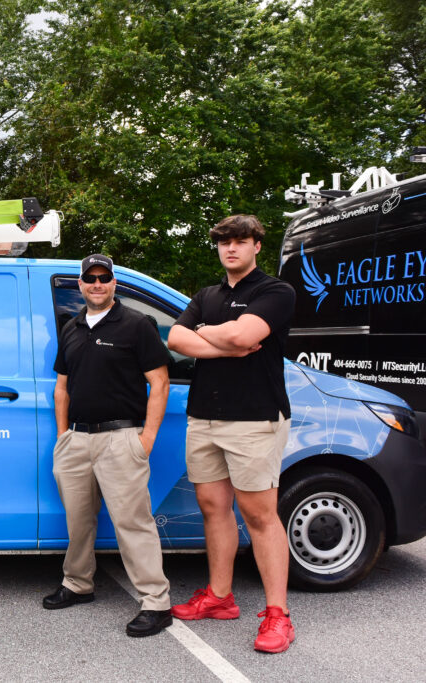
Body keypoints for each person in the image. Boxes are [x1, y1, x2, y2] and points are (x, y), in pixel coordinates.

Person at [167, 215, 296, 654]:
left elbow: (246, 334)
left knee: (260, 515)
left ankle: (278, 615)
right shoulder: (207, 295)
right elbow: (177, 340)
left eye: (241, 241)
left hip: (254, 417)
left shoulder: (275, 292)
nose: (231, 249)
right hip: (204, 415)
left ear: (258, 245)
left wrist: (213, 334)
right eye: (224, 243)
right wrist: (223, 340)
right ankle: (219, 598)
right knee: (212, 508)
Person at [44, 254, 174, 637]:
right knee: (78, 521)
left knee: (132, 522)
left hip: (122, 438)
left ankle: (156, 603)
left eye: (104, 278)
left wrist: (146, 437)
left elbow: (160, 382)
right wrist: (63, 435)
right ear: (80, 285)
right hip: (77, 440)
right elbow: (62, 387)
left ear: (113, 282)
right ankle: (78, 583)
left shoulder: (136, 325)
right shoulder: (72, 326)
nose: (97, 284)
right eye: (90, 278)